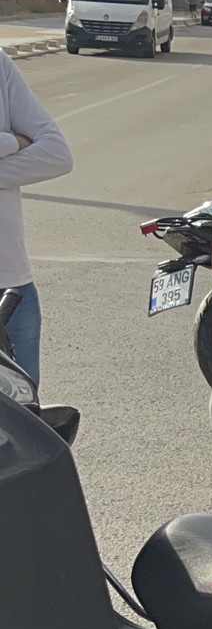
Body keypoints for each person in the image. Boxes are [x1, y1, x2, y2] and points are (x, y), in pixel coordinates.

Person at [0, 52, 73, 387]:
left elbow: (56, 154)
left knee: (25, 412)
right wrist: (11, 141)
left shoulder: (0, 66)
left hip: (12, 288)